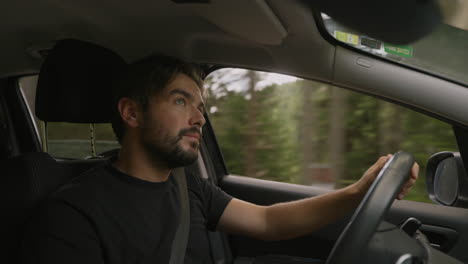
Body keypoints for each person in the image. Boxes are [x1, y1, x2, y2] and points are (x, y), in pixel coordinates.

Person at [20, 54, 419, 264]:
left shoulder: (186, 183)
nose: (199, 118)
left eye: (201, 105)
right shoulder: (71, 215)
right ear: (132, 113)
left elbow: (268, 221)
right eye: (180, 101)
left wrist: (359, 191)